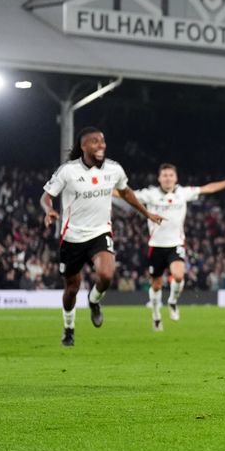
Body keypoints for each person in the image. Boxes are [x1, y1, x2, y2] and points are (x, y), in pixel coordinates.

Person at [41, 127, 163, 346]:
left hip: (100, 232)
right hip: (72, 237)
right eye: (95, 142)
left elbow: (126, 193)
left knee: (107, 274)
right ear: (84, 146)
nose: (101, 145)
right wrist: (48, 210)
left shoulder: (113, 169)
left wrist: (147, 213)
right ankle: (69, 328)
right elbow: (46, 197)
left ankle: (94, 301)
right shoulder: (68, 171)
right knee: (72, 288)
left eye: (103, 141)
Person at [134, 164, 225, 330]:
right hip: (156, 246)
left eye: (170, 175)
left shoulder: (183, 193)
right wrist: (100, 190)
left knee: (179, 276)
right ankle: (156, 316)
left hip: (176, 244)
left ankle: (172, 301)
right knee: (156, 285)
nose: (167, 178)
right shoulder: (149, 194)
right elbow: (125, 194)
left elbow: (209, 188)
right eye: (164, 175)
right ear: (159, 178)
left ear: (176, 178)